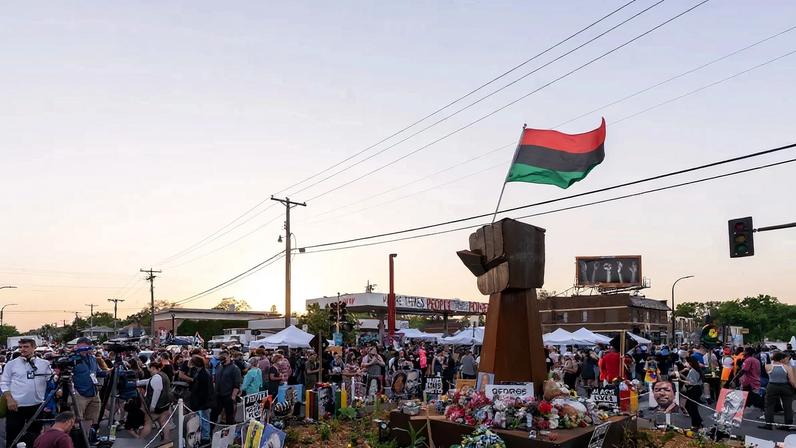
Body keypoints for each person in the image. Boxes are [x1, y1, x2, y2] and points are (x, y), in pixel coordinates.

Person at [1, 337, 53, 448]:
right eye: (20, 347)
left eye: (26, 347)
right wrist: (9, 399)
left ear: (34, 347)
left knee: (35, 435)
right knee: (13, 435)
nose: (22, 350)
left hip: (37, 405)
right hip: (16, 406)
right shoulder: (11, 364)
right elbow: (4, 383)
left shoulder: (44, 364)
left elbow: (50, 379)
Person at [71, 338, 103, 430]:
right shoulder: (73, 359)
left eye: (87, 347)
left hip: (93, 392)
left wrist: (110, 372)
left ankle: (88, 438)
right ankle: (78, 439)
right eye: (82, 346)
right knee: (77, 420)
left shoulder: (93, 359)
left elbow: (98, 372)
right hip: (79, 394)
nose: (84, 349)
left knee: (92, 419)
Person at [136, 361, 173, 440]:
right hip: (165, 404)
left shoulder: (156, 378)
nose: (148, 370)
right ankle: (167, 441)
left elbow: (157, 391)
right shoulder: (163, 375)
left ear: (152, 368)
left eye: (149, 368)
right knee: (164, 423)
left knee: (148, 424)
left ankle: (139, 441)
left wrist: (152, 406)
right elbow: (148, 381)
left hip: (156, 406)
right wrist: (137, 383)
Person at [759, 352, 796, 430]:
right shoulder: (787, 367)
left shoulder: (768, 366)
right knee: (787, 406)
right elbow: (792, 381)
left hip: (772, 385)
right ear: (782, 359)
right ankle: (787, 425)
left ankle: (769, 424)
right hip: (785, 386)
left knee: (769, 405)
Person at [211, 351, 242, 424]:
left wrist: (233, 396)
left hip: (228, 395)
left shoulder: (235, 368)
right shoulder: (219, 366)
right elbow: (215, 379)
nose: (222, 358)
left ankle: (229, 432)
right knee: (213, 415)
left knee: (229, 416)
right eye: (221, 356)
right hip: (218, 395)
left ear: (229, 356)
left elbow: (237, 384)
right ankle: (209, 432)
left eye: (224, 356)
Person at [187, 355, 212, 443]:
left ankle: (206, 437)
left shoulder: (203, 374)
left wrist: (200, 402)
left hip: (202, 401)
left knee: (204, 419)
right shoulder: (200, 372)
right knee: (201, 419)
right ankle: (203, 436)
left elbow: (205, 390)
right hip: (200, 400)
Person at [681, 356, 704, 429]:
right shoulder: (696, 369)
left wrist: (681, 380)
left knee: (692, 407)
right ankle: (698, 421)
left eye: (686, 362)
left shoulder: (693, 371)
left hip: (694, 389)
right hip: (696, 389)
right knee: (690, 406)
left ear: (690, 363)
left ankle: (696, 424)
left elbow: (691, 382)